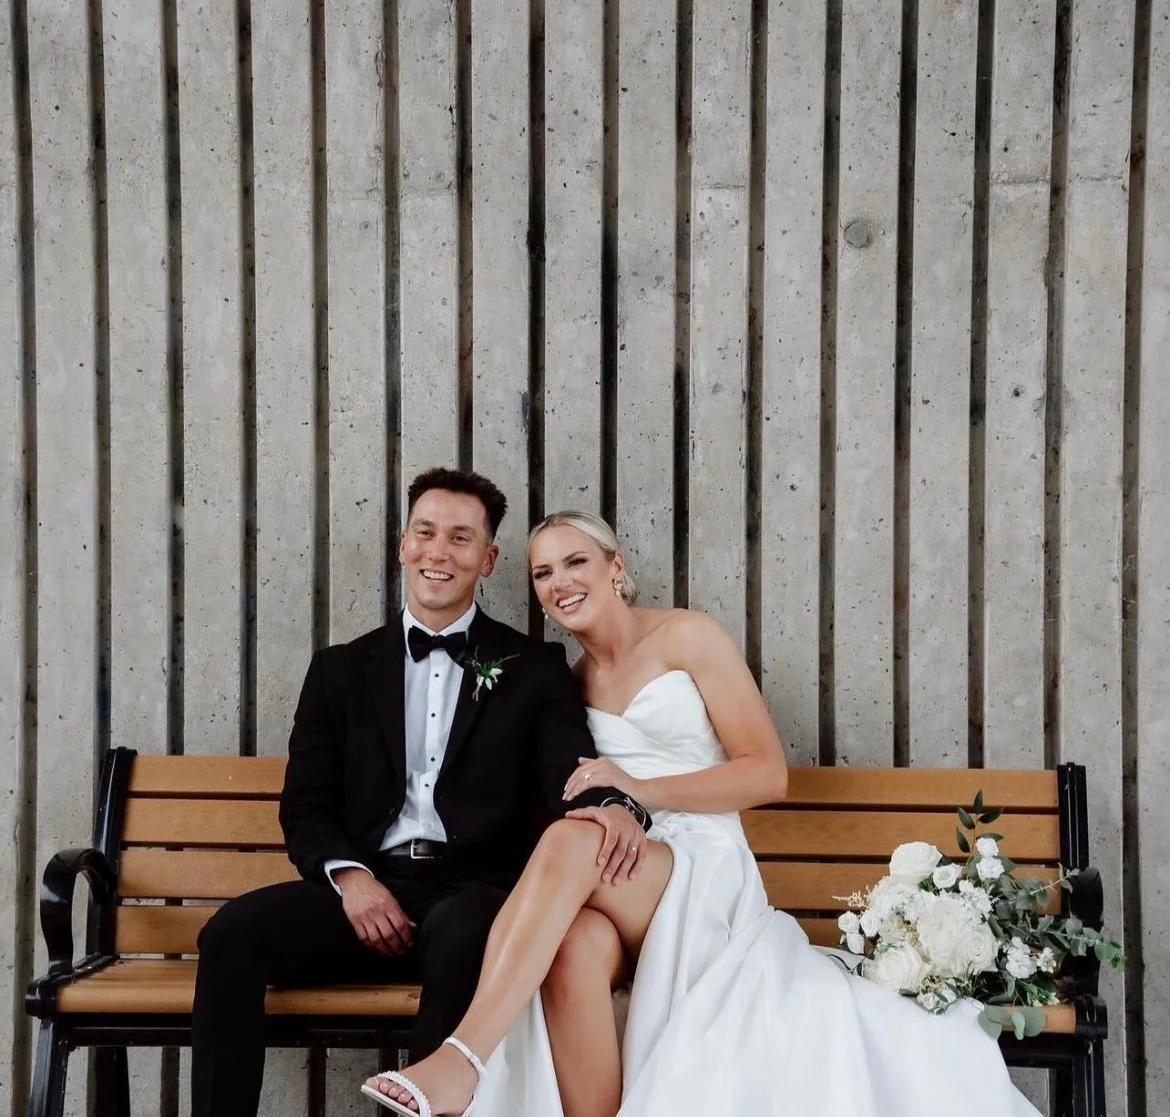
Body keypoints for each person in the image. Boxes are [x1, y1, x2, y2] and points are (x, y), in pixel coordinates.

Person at [363, 510, 1044, 1117]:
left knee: (575, 844)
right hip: (625, 874)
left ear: (615, 567)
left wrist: (637, 791)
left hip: (701, 862)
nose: (559, 582)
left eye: (575, 561)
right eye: (542, 573)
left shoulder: (688, 637)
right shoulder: (563, 684)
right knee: (574, 948)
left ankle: (463, 1060)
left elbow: (766, 772)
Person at [189, 472, 649, 1117]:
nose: (440, 552)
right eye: (427, 533)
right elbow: (305, 805)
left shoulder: (534, 670)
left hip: (476, 892)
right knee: (231, 935)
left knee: (465, 932)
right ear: (403, 545)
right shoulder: (338, 670)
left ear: (487, 560)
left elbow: (567, 778)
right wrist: (350, 877)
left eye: (462, 538)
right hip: (363, 890)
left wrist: (610, 808)